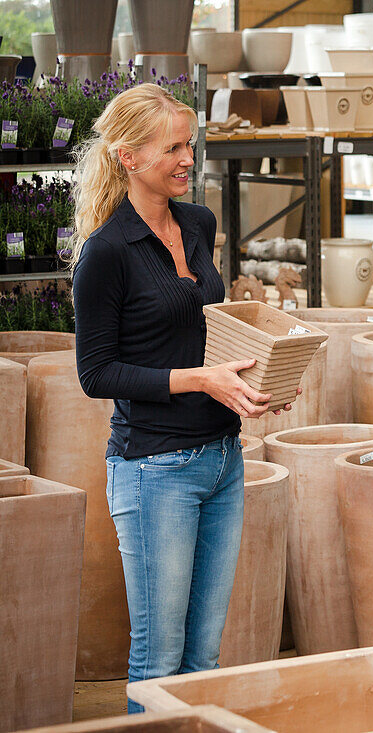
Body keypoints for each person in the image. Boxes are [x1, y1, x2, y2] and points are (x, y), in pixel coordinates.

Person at [70, 83, 291, 711]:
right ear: (127, 157)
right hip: (154, 468)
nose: (188, 159)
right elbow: (97, 375)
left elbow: (206, 328)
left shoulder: (198, 224)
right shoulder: (105, 255)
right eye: (172, 148)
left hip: (222, 457)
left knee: (204, 658)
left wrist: (260, 380)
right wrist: (201, 381)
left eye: (190, 145)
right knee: (161, 656)